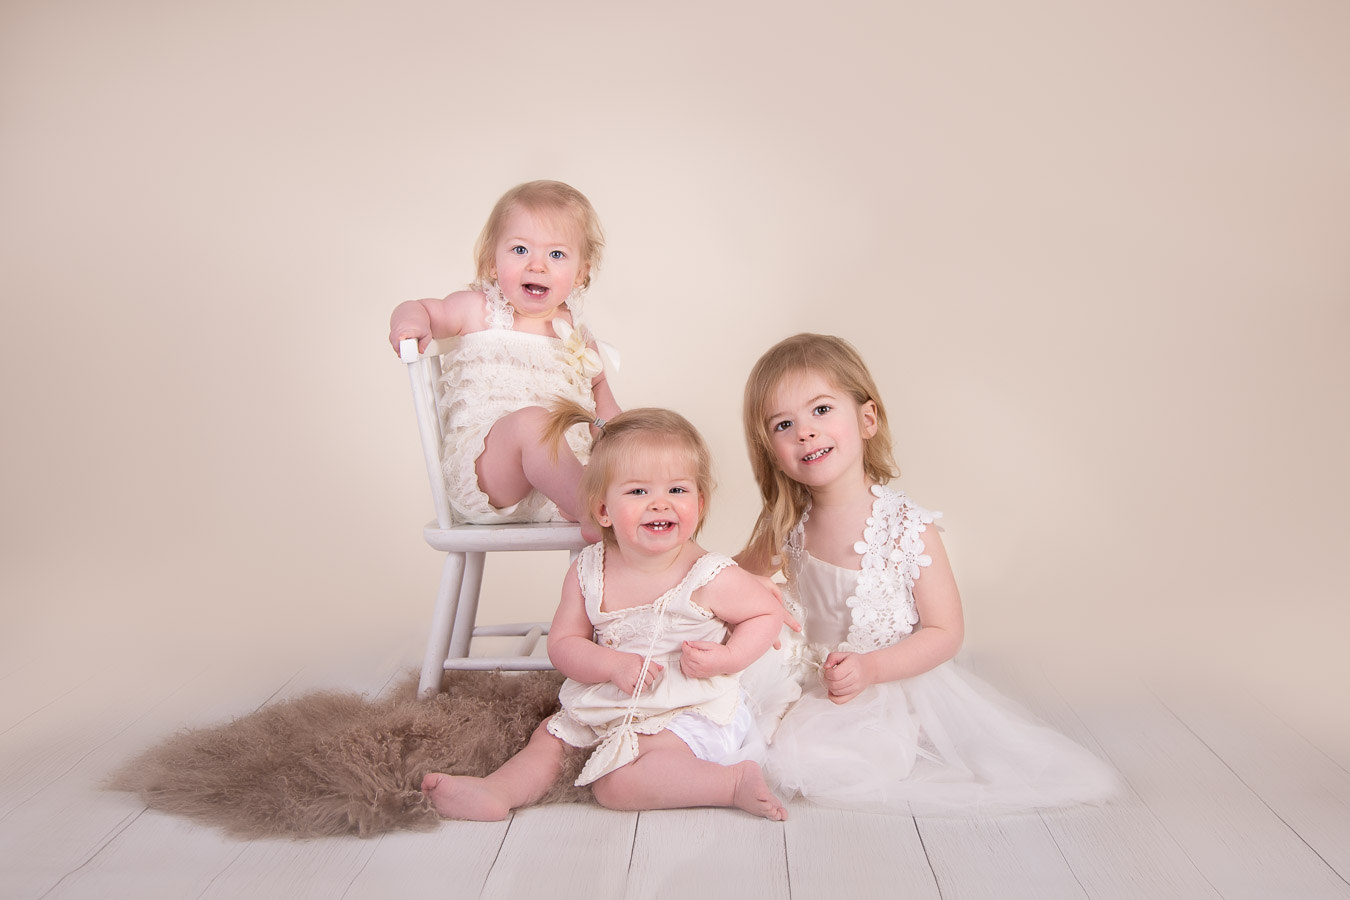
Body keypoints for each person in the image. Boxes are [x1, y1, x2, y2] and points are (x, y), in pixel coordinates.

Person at [739, 333, 1118, 815]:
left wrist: (871, 669)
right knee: (733, 728)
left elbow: (945, 632)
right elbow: (729, 579)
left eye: (821, 410)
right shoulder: (785, 525)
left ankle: (904, 738)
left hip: (883, 684)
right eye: (783, 424)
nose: (805, 433)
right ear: (771, 448)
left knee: (812, 759)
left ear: (867, 418)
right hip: (804, 678)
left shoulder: (908, 529)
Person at [422, 406, 789, 821]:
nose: (659, 504)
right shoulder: (588, 571)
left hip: (689, 707)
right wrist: (610, 664)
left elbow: (764, 614)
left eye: (677, 490)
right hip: (612, 697)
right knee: (550, 738)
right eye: (637, 492)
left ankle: (731, 782)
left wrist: (728, 658)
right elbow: (563, 644)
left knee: (617, 783)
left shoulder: (708, 574)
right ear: (603, 511)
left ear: (699, 503)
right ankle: (498, 790)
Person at [388, 180, 620, 536]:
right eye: (520, 250)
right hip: (490, 479)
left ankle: (597, 508)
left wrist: (623, 445)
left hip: (559, 488)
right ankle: (595, 513)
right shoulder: (476, 310)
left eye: (556, 255)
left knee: (643, 447)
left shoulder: (576, 335)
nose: (537, 266)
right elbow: (421, 308)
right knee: (534, 423)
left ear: (581, 273)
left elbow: (605, 414)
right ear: (491, 263)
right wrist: (411, 320)